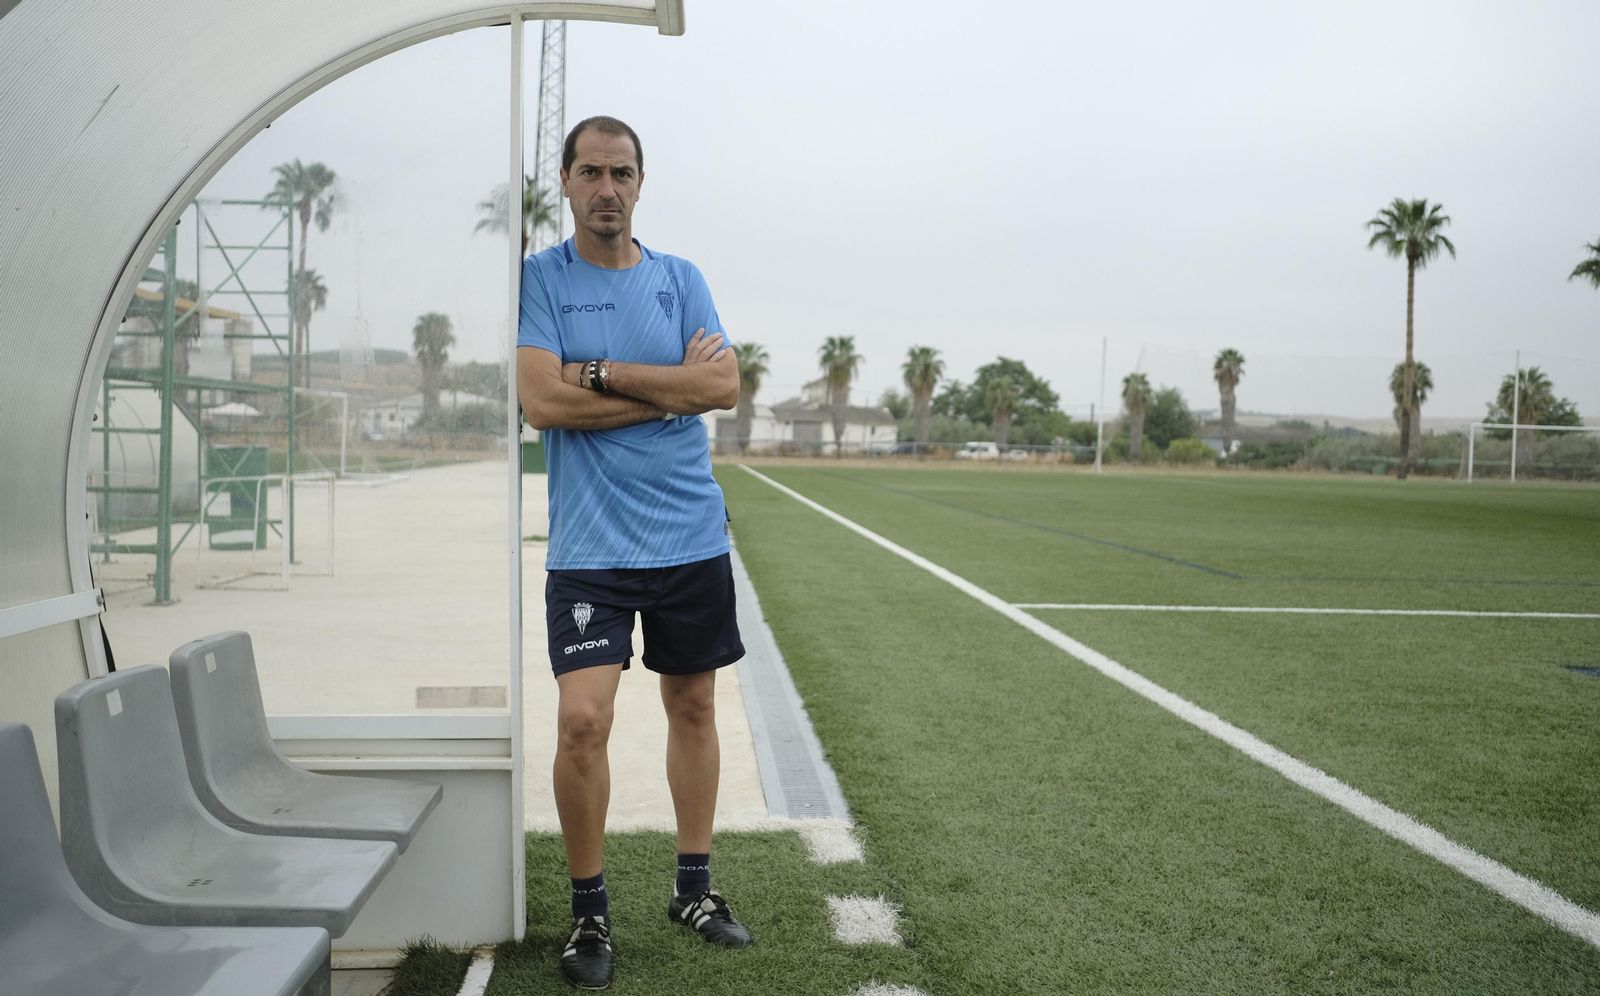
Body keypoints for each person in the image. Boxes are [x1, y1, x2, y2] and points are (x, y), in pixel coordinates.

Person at [516, 115, 752, 990]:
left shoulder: (680, 278)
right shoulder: (540, 279)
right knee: (584, 720)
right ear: (567, 184)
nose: (606, 188)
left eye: (621, 173)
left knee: (693, 708)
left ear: (640, 183)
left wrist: (603, 374)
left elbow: (722, 385)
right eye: (590, 172)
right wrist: (667, 394)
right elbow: (541, 403)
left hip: (689, 535)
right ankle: (589, 913)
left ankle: (693, 890)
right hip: (591, 546)